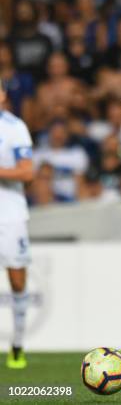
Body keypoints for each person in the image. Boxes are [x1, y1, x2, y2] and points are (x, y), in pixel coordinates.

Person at [0, 79, 35, 369]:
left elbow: (26, 172)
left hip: (9, 214)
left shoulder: (14, 127)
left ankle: (17, 344)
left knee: (17, 280)